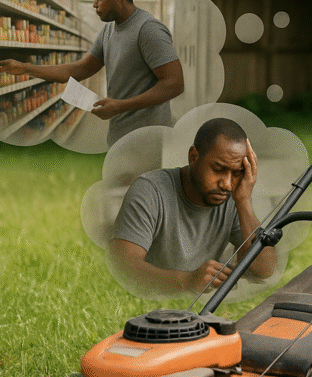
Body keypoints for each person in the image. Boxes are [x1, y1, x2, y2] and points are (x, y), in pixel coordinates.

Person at [0, 0, 184, 147]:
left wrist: (120, 106)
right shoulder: (108, 31)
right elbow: (79, 69)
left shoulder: (148, 29)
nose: (94, 4)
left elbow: (174, 83)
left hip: (149, 139)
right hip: (120, 136)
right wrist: (25, 68)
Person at [106, 118, 277, 298]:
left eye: (236, 173)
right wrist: (186, 281)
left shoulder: (234, 197)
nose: (226, 184)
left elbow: (263, 270)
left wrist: (244, 201)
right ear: (193, 157)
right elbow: (123, 265)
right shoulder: (150, 190)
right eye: (218, 169)